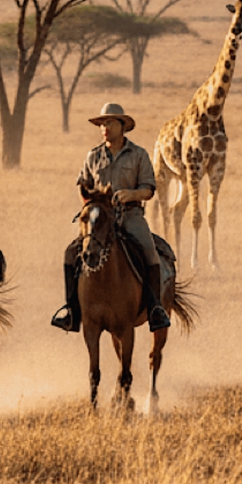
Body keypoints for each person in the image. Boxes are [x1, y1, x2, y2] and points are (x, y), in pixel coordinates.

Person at [51, 103, 170, 332]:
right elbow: (83, 185)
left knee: (149, 251)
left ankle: (155, 308)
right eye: (102, 124)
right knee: (70, 253)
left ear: (122, 126)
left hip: (130, 214)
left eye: (110, 123)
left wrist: (131, 194)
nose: (104, 127)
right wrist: (89, 208)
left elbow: (149, 189)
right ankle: (72, 310)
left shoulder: (138, 154)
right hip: (99, 219)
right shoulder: (93, 156)